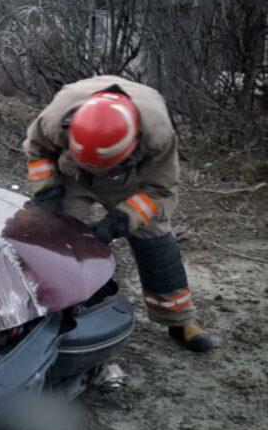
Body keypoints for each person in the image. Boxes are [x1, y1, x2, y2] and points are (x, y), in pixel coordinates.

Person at [23, 75, 214, 353]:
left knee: (155, 237)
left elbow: (159, 190)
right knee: (51, 231)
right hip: (74, 171)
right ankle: (44, 308)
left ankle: (178, 319)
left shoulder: (158, 135)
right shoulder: (54, 119)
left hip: (131, 179)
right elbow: (37, 151)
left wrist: (119, 221)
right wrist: (47, 192)